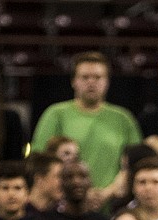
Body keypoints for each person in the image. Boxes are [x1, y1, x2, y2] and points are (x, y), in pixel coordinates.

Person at [32, 52, 142, 191]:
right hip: (63, 203)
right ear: (73, 81)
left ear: (107, 81)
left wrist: (108, 192)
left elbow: (135, 164)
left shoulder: (124, 118)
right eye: (85, 77)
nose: (91, 82)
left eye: (97, 77)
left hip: (111, 203)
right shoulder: (55, 114)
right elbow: (39, 161)